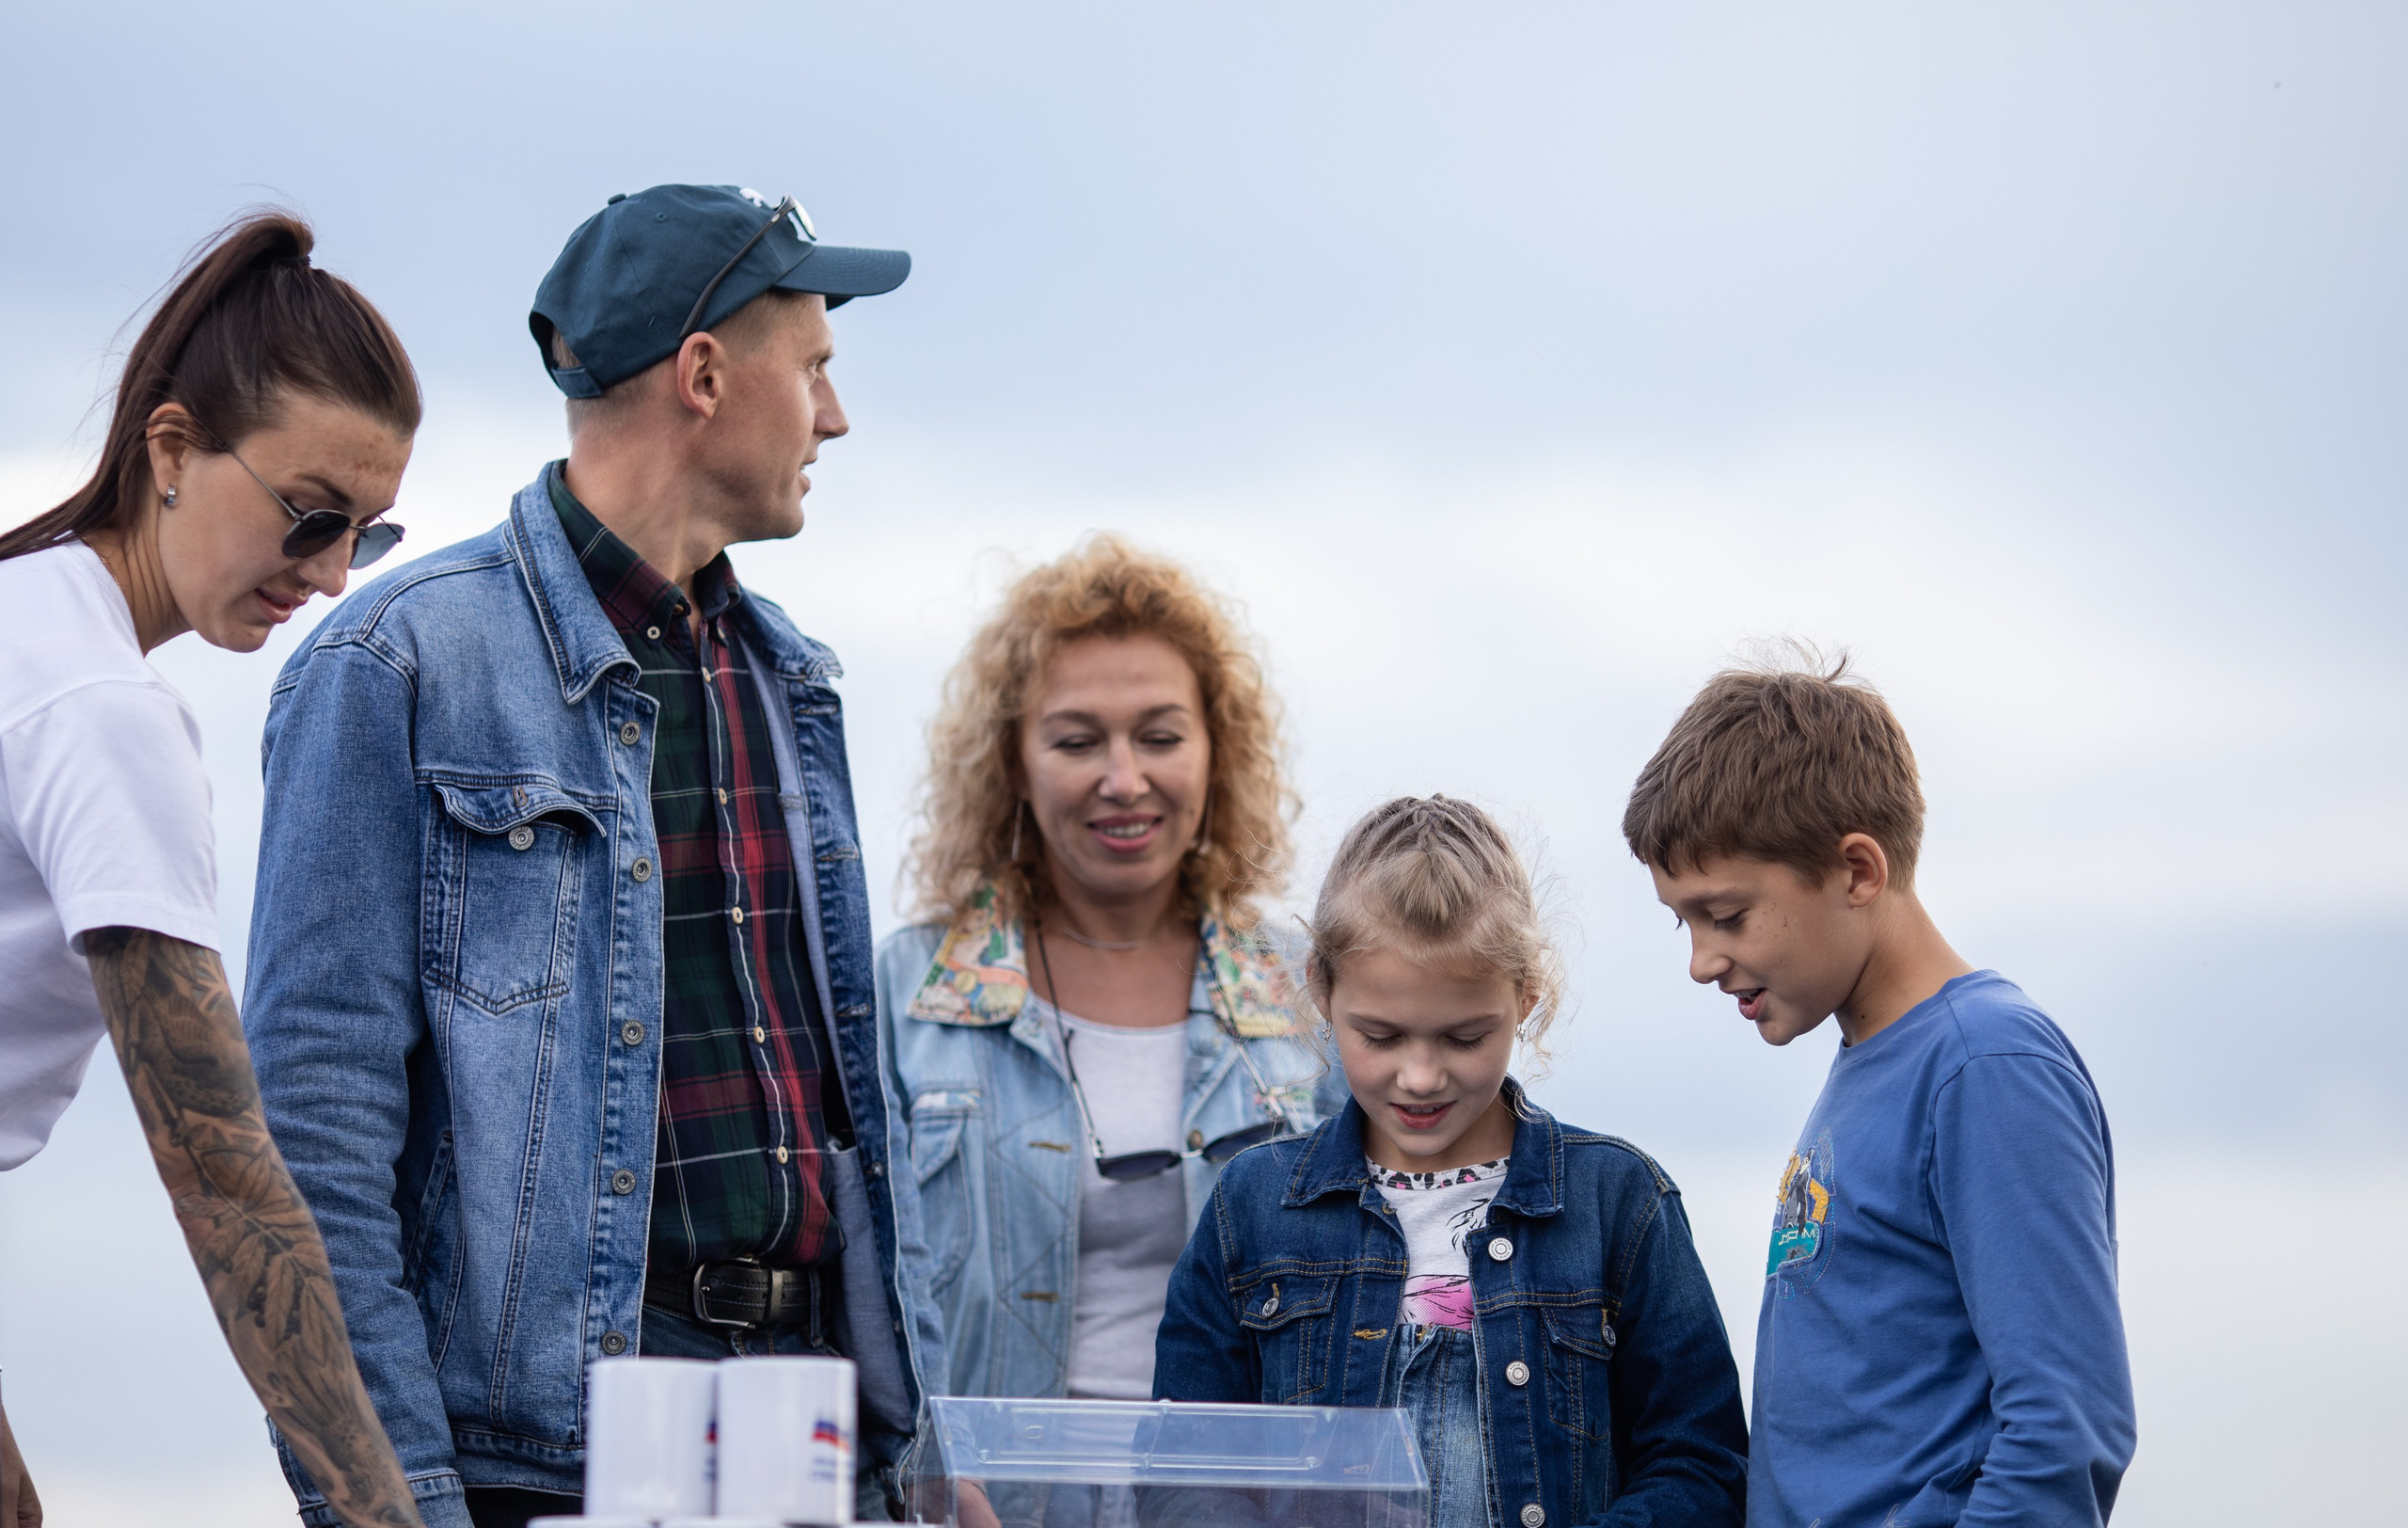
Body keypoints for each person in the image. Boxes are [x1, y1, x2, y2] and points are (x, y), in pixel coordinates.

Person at [241, 184, 939, 1528]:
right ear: (703, 374)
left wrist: (912, 1459)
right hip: (545, 1459)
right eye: (816, 373)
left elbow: (848, 1113)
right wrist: (391, 1501)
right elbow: (314, 1132)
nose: (835, 418)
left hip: (809, 1428)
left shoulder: (790, 677)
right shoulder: (394, 664)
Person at [0, 214, 427, 1527]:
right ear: (172, 449)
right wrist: (383, 1512)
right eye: (310, 517)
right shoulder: (100, 711)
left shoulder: (25, 616)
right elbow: (225, 1176)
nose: (335, 573)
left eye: (371, 535)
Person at [1624, 654, 2136, 1526]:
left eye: (1729, 915)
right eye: (1686, 922)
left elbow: (2066, 1427)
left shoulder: (1986, 1066)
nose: (1702, 961)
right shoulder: (1872, 1063)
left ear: (1859, 871)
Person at [1155, 795, 1749, 1528]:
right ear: (1320, 989)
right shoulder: (1251, 1202)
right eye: (1381, 1035)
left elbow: (1699, 1461)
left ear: (1527, 997)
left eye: (1465, 1038)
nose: (1422, 1076)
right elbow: (1186, 1469)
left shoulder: (1621, 1202)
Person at [876, 535, 1343, 1406]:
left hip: (1239, 1499)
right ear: (1012, 761)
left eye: (1160, 736)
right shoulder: (906, 993)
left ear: (1216, 750)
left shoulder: (1308, 990)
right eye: (1078, 741)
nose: (1124, 779)